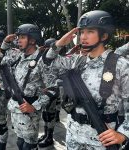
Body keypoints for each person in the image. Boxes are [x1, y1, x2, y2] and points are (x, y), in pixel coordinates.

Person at [46, 10, 129, 149]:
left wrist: (123, 134)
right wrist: (59, 44)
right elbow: (48, 64)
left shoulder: (120, 65)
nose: (83, 37)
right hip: (73, 134)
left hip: (101, 139)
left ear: (104, 35)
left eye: (90, 32)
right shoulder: (76, 61)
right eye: (81, 32)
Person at [0, 24, 51, 150]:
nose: (18, 40)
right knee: (20, 142)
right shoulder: (18, 56)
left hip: (29, 111)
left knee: (29, 145)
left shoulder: (42, 60)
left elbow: (53, 89)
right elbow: (2, 55)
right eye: (18, 37)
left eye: (22, 37)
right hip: (16, 109)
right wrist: (6, 41)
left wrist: (34, 106)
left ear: (32, 40)